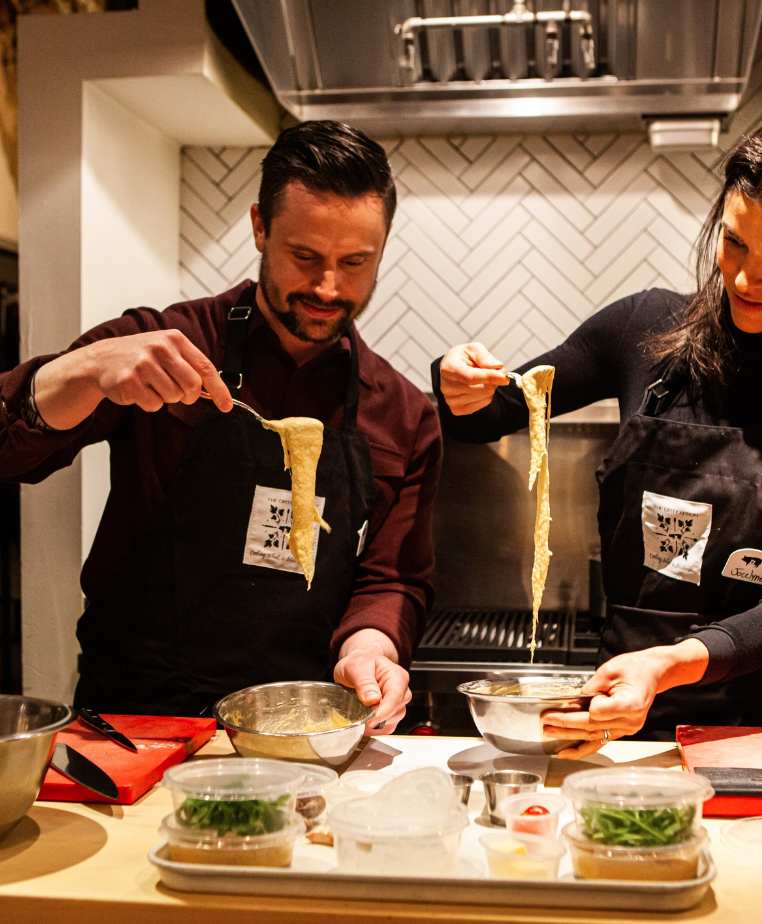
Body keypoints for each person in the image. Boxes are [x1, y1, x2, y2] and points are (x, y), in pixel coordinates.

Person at [434, 105, 762, 756]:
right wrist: (455, 383)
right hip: (620, 713)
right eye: (733, 241)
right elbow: (490, 415)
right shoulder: (643, 328)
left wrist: (663, 665)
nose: (745, 278)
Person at [0, 120, 442, 729]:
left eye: (356, 262)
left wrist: (370, 647)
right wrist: (83, 370)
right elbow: (8, 453)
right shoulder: (163, 345)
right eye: (305, 256)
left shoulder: (402, 414)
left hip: (296, 726)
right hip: (136, 717)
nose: (327, 286)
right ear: (260, 227)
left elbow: (393, 578)